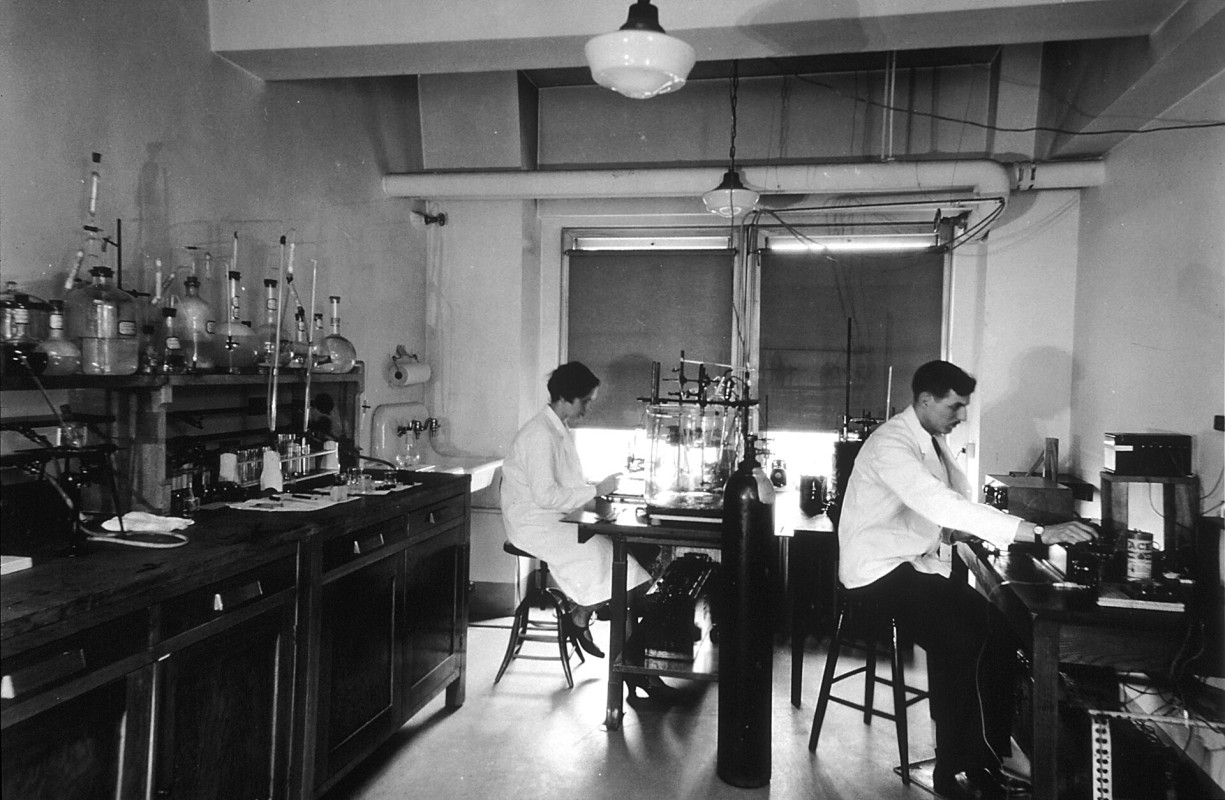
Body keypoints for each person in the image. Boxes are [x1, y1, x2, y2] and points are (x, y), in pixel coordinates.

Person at [837, 360, 1096, 800]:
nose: (961, 416)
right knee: (962, 638)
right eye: (955, 407)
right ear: (925, 400)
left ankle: (983, 759)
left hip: (908, 564)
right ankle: (955, 767)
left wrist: (969, 529)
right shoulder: (892, 445)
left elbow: (947, 508)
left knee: (999, 631)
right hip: (875, 575)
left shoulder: (933, 441)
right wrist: (1036, 532)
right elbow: (939, 504)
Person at [500, 362, 650, 660]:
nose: (588, 409)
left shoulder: (557, 429)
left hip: (553, 517)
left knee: (624, 563)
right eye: (585, 402)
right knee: (620, 568)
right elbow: (545, 496)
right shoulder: (540, 435)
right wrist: (597, 491)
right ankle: (586, 620)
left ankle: (582, 613)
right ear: (566, 398)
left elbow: (564, 483)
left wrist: (600, 491)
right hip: (534, 525)